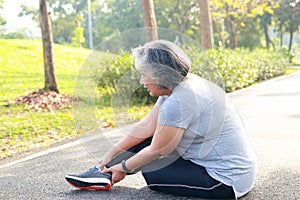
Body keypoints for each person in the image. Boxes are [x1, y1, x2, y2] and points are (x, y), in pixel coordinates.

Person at [65, 39, 257, 199]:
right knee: (147, 141)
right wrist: (110, 154)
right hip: (228, 168)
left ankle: (108, 174)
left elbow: (158, 150)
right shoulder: (178, 85)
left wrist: (122, 167)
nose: (141, 82)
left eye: (143, 75)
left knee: (151, 168)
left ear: (160, 76)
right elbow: (147, 125)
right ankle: (102, 172)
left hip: (225, 181)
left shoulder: (181, 100)